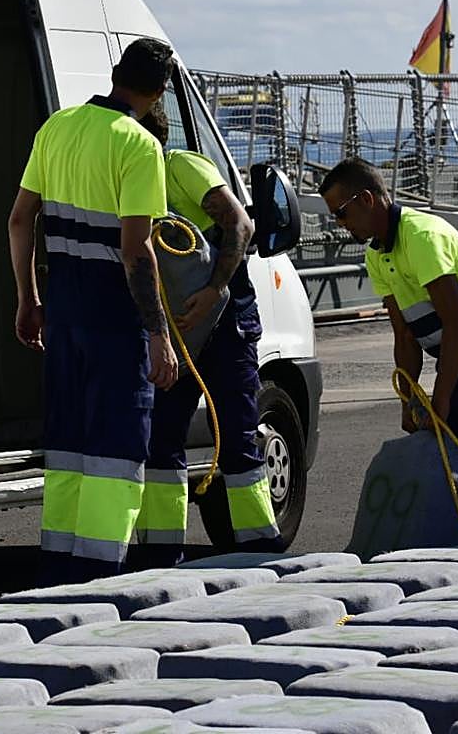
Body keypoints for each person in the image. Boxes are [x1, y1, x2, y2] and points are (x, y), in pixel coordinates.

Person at [7, 38, 179, 583]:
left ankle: (57, 570)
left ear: (114, 73)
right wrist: (159, 334)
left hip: (63, 313)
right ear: (159, 93)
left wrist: (28, 298)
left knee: (68, 447)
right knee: (114, 450)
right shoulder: (138, 144)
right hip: (114, 320)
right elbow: (136, 249)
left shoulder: (55, 128)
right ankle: (101, 574)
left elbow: (19, 220)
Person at [319, 157, 458, 544]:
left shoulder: (422, 237)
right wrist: (409, 399)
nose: (340, 225)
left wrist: (442, 396)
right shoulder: (376, 254)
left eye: (341, 214)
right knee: (457, 445)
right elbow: (404, 335)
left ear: (366, 199)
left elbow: (457, 325)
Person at [131, 103, 282, 567]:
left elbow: (241, 223)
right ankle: (160, 553)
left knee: (235, 432)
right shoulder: (132, 183)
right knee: (161, 437)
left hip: (224, 320)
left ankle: (259, 550)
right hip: (175, 326)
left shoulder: (180, 166)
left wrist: (215, 287)